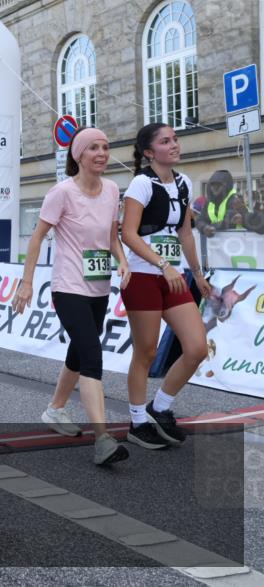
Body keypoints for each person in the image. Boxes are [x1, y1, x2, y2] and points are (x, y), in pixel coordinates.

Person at [13, 128, 131, 466]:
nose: (101, 153)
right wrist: (27, 281)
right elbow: (37, 238)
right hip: (67, 287)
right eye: (93, 147)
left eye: (105, 147)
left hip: (98, 286)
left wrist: (122, 261)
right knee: (93, 356)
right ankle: (103, 439)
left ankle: (55, 409)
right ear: (78, 155)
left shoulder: (111, 190)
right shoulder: (60, 193)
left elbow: (111, 236)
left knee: (79, 353)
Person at [120, 123, 210, 450]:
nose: (174, 144)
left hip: (172, 277)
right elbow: (128, 233)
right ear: (148, 152)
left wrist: (197, 274)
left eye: (175, 139)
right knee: (146, 351)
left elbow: (185, 233)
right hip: (143, 276)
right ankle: (137, 420)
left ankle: (161, 407)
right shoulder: (141, 184)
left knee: (197, 347)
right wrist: (163, 264)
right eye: (165, 141)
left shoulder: (184, 182)